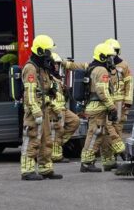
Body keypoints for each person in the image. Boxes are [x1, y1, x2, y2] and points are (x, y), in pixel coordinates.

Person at [20, 34, 62, 181]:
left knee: (46, 139)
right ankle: (27, 170)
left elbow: (45, 88)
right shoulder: (31, 68)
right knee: (32, 139)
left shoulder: (42, 68)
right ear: (39, 51)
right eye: (47, 51)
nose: (49, 54)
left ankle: (45, 168)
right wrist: (37, 113)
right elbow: (30, 94)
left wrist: (53, 91)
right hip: (34, 112)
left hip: (44, 109)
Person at [80, 43, 126, 172]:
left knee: (99, 135)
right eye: (109, 58)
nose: (112, 61)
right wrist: (112, 108)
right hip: (98, 108)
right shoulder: (102, 70)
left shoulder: (93, 68)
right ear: (102, 57)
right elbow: (103, 91)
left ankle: (95, 161)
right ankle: (86, 163)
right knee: (94, 135)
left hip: (95, 107)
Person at [48, 52, 85, 164]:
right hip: (53, 109)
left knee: (75, 121)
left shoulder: (58, 78)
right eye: (54, 64)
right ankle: (55, 155)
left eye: (58, 64)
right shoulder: (47, 77)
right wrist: (55, 108)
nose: (56, 66)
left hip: (62, 108)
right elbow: (46, 95)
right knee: (56, 131)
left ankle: (56, 145)